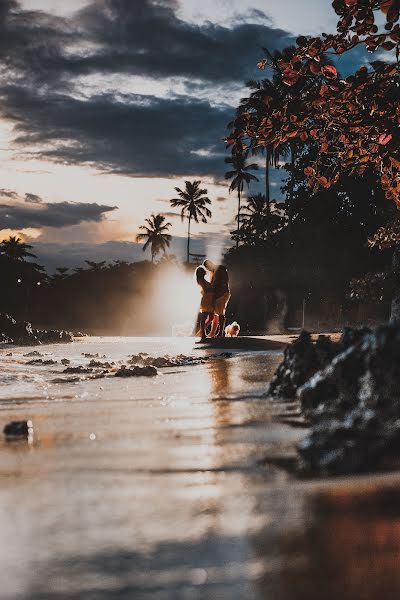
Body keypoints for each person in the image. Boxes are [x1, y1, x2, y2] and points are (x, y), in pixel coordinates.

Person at [203, 260, 230, 337]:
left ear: (210, 264)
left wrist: (219, 292)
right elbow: (213, 285)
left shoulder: (220, 268)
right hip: (217, 295)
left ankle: (221, 332)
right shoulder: (213, 272)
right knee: (215, 314)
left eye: (208, 267)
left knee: (220, 313)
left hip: (222, 293)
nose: (208, 269)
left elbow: (225, 280)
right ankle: (213, 332)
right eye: (207, 268)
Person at [195, 266, 215, 340]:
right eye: (203, 271)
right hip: (206, 300)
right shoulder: (201, 281)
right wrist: (212, 288)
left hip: (209, 299)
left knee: (211, 317)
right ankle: (203, 333)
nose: (205, 271)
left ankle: (202, 332)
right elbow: (206, 290)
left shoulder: (204, 280)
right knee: (204, 317)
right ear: (201, 273)